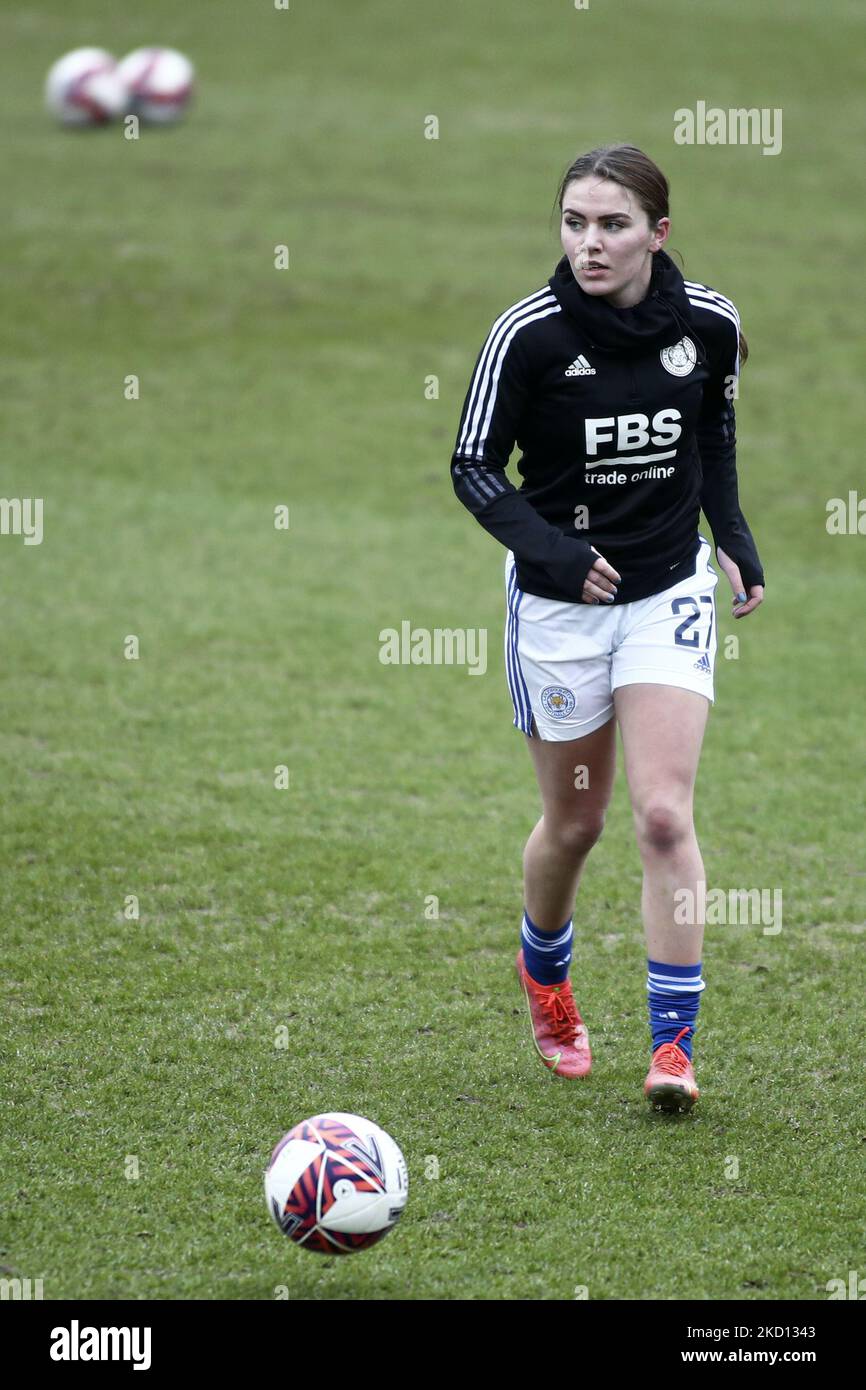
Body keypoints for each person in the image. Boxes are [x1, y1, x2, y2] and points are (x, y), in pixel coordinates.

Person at [450, 144, 764, 1112]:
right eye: (574, 223)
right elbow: (471, 465)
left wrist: (734, 535)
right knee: (576, 823)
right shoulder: (528, 336)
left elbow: (709, 428)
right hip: (558, 609)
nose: (590, 244)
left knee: (663, 813)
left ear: (656, 234)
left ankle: (672, 1049)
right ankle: (543, 969)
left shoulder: (708, 323)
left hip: (666, 592)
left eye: (612, 225)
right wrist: (547, 552)